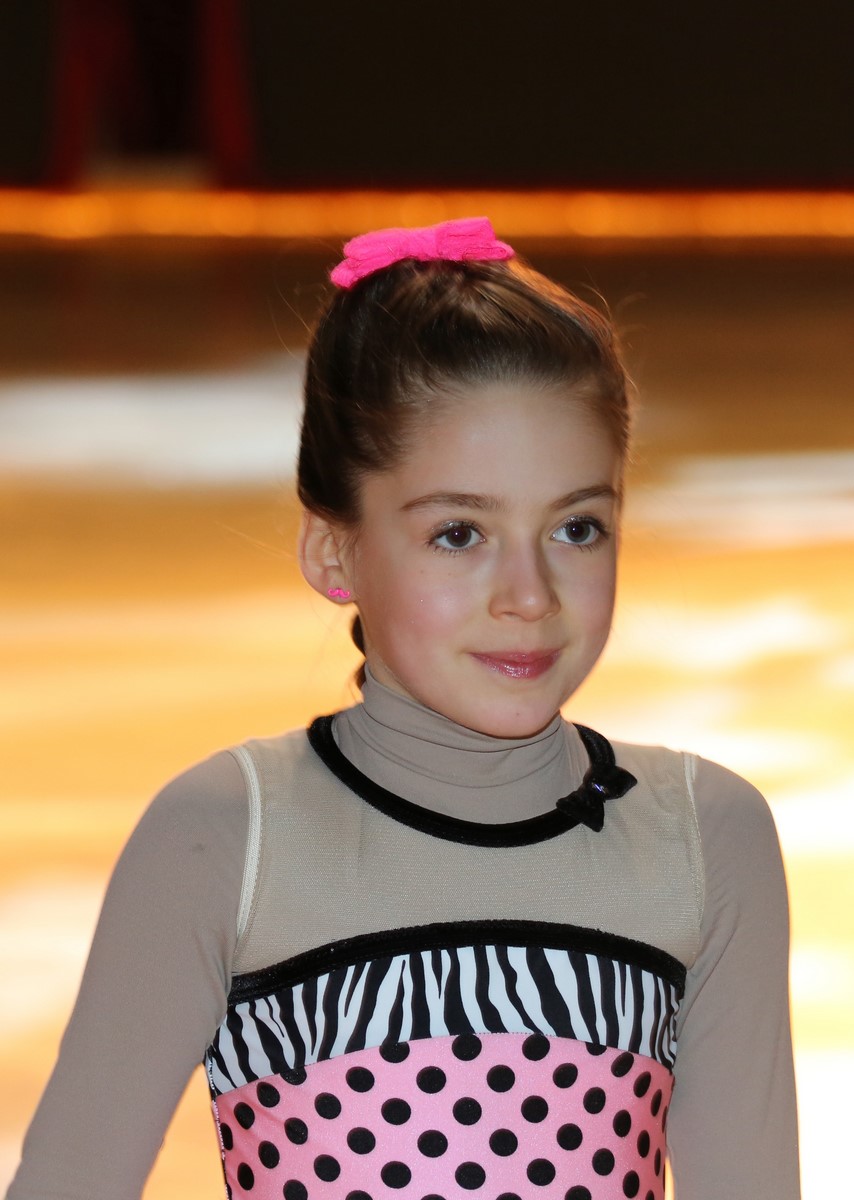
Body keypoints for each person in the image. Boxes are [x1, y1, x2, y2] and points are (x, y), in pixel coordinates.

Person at [8, 218, 799, 1200]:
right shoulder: (227, 839)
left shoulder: (703, 837)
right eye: (459, 532)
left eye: (576, 527)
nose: (529, 595)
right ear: (332, 551)